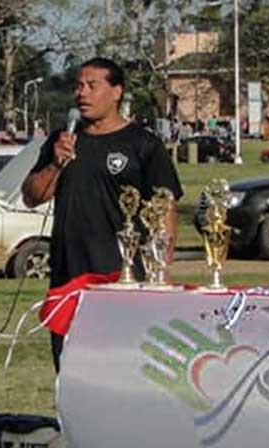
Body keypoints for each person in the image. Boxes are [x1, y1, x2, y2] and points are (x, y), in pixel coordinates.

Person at [22, 57, 182, 370]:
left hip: (120, 277)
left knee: (120, 368)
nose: (82, 93)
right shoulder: (62, 140)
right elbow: (32, 196)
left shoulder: (142, 144)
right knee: (70, 369)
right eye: (78, 86)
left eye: (92, 86)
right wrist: (55, 162)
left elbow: (166, 206)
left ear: (116, 91)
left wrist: (161, 269)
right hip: (68, 277)